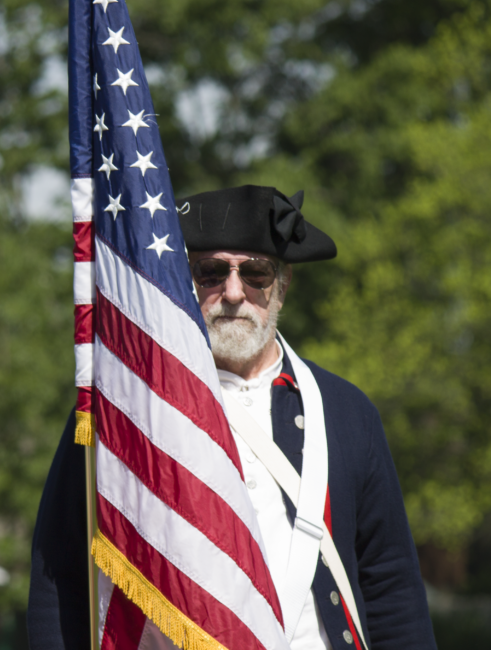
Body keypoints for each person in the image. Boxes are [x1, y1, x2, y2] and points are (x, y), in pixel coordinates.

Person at [28, 185, 435, 649]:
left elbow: (391, 586)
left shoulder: (346, 411)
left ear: (282, 284)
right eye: (212, 272)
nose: (235, 292)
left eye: (257, 272)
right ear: (185, 281)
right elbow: (59, 575)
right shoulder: (123, 404)